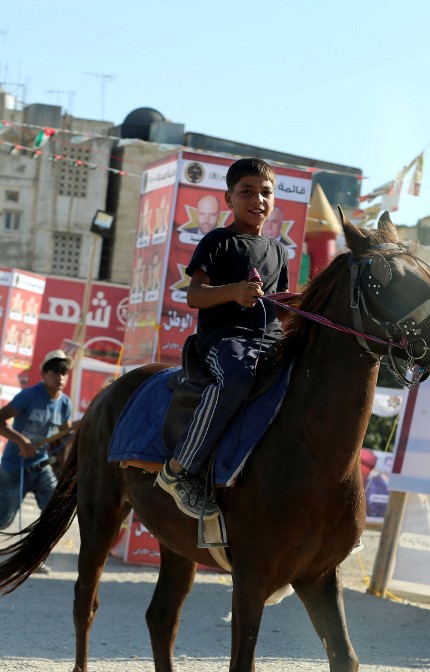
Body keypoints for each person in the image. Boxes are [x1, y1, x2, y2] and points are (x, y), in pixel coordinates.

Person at [157, 158, 289, 518]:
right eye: (247, 192)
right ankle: (179, 469)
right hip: (224, 342)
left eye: (266, 192)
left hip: (270, 340)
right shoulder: (218, 241)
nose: (257, 199)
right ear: (229, 199)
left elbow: (281, 304)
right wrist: (233, 292)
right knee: (238, 377)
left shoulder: (279, 251)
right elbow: (195, 295)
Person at [0, 349, 73, 555]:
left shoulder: (64, 404)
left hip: (41, 467)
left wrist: (76, 433)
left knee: (53, 515)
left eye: (64, 373)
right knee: (3, 520)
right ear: (44, 374)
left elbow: (65, 434)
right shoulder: (28, 395)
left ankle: (34, 556)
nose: (60, 377)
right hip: (15, 466)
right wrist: (22, 441)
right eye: (55, 372)